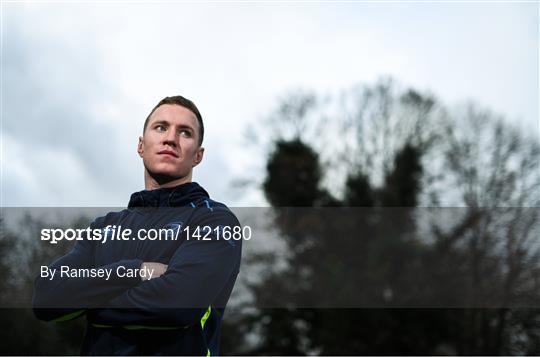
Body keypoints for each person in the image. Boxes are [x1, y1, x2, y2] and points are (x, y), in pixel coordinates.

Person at [33, 96, 242, 356]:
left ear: (198, 156)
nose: (170, 138)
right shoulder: (103, 228)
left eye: (185, 132)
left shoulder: (215, 221)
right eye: (161, 127)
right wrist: (135, 271)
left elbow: (178, 304)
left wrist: (88, 301)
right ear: (141, 145)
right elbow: (47, 297)